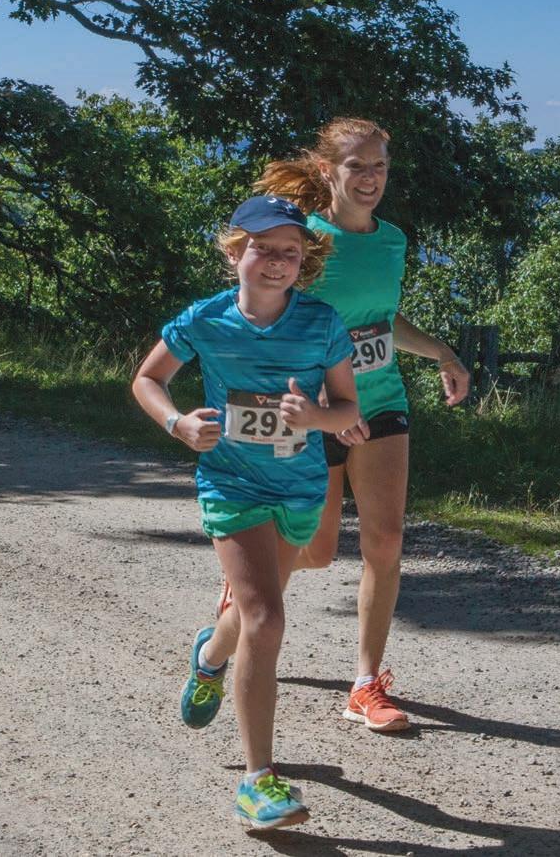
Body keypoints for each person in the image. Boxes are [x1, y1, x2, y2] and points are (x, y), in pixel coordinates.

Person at [217, 117, 470, 733]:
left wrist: (442, 353)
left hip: (380, 399)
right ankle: (238, 601)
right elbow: (278, 322)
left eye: (380, 166)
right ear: (328, 170)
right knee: (318, 549)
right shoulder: (306, 240)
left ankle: (365, 683)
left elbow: (383, 319)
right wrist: (327, 403)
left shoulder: (393, 241)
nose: (371, 178)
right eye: (358, 166)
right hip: (312, 408)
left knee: (387, 540)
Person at [132, 195, 358, 830]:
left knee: (252, 614)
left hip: (300, 491)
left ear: (304, 263)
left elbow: (348, 409)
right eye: (263, 248)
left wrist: (315, 417)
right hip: (232, 485)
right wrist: (177, 423)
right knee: (266, 617)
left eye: (292, 252)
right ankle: (259, 783)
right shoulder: (205, 319)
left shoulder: (322, 323)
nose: (277, 261)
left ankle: (210, 655)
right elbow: (147, 379)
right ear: (236, 251)